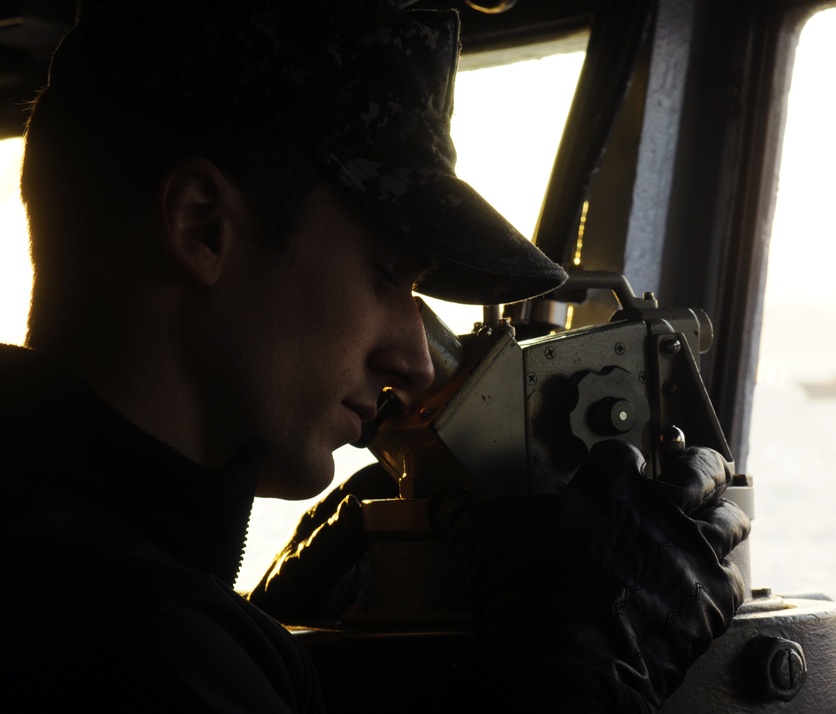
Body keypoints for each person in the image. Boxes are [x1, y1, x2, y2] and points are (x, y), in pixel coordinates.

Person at [0, 0, 750, 711]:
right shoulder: (129, 640)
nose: (414, 360)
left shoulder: (84, 582)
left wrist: (274, 643)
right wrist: (586, 672)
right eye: (389, 276)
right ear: (202, 226)